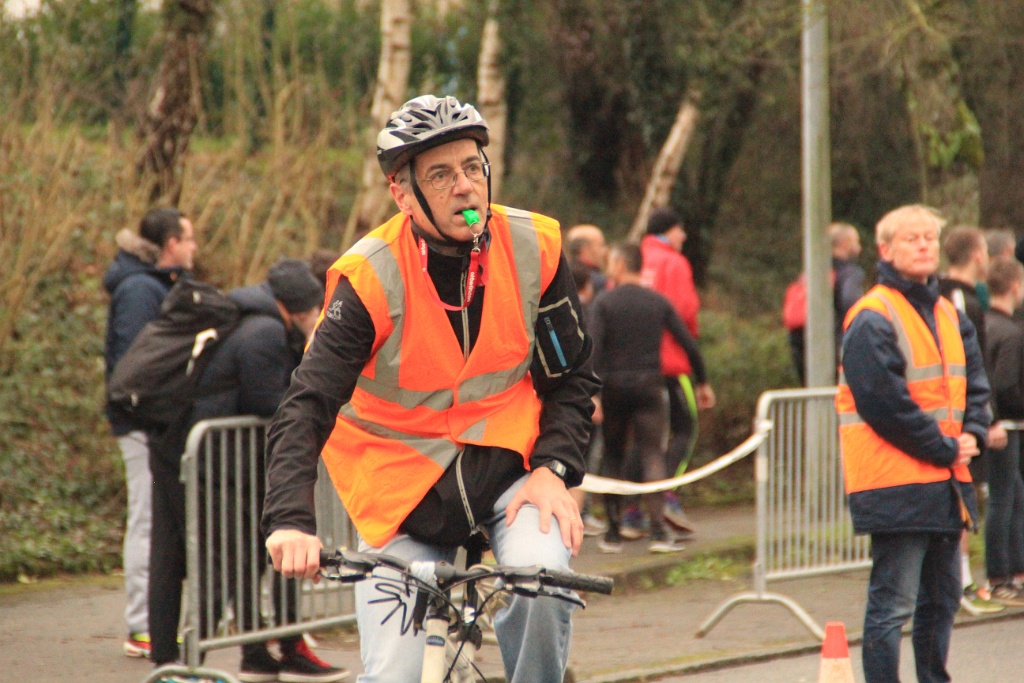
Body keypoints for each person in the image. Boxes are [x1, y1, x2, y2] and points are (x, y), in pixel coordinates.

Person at [261, 95, 599, 683]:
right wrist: (289, 519)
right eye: (440, 175)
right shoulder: (369, 276)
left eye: (472, 167)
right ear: (403, 194)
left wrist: (554, 469)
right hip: (403, 496)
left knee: (545, 588)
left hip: (511, 473)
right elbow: (306, 405)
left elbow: (571, 377)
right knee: (397, 672)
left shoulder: (533, 247)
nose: (464, 186)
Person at [147, 260, 346, 682]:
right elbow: (268, 400)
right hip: (217, 466)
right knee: (226, 564)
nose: (317, 316)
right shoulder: (265, 332)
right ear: (296, 307)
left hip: (224, 464)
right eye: (314, 308)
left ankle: (255, 652)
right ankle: (189, 661)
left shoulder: (259, 323)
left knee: (241, 560)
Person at [836, 204, 991, 683]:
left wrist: (974, 433)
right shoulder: (872, 316)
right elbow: (885, 405)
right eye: (912, 238)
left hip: (944, 480)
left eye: (930, 237)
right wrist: (947, 447)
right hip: (896, 482)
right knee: (893, 605)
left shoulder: (948, 313)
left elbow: (975, 386)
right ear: (885, 250)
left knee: (942, 601)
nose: (924, 245)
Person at [103, 206, 197, 658]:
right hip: (144, 424)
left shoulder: (157, 283)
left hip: (157, 423)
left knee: (153, 521)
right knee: (145, 521)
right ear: (171, 244)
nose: (195, 247)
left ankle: (149, 624)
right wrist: (154, 412)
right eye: (189, 238)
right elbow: (136, 366)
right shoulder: (141, 289)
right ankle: (141, 625)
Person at [590, 242, 712, 554]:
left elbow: (593, 350)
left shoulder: (604, 302)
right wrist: (702, 382)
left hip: (614, 387)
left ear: (619, 264)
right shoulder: (657, 301)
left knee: (613, 455)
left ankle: (613, 533)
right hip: (649, 386)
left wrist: (593, 394)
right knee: (652, 454)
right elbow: (689, 343)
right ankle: (658, 532)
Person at [638, 207, 714, 538]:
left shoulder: (635, 258)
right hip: (671, 361)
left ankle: (630, 511)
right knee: (685, 428)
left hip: (633, 365)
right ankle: (667, 494)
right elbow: (685, 311)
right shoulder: (675, 262)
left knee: (641, 438)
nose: (683, 236)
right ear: (668, 231)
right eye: (680, 230)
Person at [937, 225, 995, 609]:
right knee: (961, 492)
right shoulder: (957, 299)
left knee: (966, 495)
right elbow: (972, 365)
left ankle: (960, 577)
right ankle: (958, 580)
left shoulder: (964, 296)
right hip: (956, 418)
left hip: (963, 416)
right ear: (977, 255)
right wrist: (988, 418)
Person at [982, 258, 1024, 605]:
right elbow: (1006, 386)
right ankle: (1000, 577)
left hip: (993, 422)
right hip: (1005, 426)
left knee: (1012, 496)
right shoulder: (1011, 333)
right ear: (1014, 286)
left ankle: (1013, 571)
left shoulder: (983, 323)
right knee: (1004, 499)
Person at [786, 222, 865, 385]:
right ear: (844, 244)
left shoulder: (809, 273)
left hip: (801, 348)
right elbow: (852, 305)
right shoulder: (849, 273)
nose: (859, 247)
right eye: (856, 242)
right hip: (835, 348)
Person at [566, 223, 610, 292]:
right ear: (585, 249)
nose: (605, 251)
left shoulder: (561, 276)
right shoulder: (599, 282)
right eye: (601, 245)